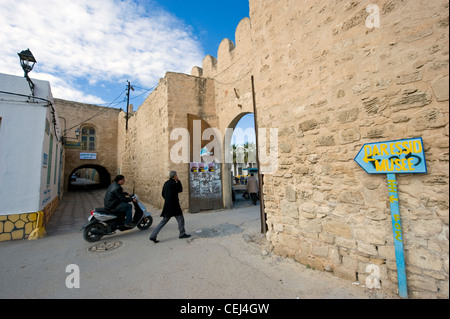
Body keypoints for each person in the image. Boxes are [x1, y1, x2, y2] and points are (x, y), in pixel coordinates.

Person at [149, 171, 191, 243]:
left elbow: (163, 194)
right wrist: (179, 181)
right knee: (180, 219)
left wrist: (168, 200)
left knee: (163, 221)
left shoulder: (166, 183)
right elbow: (180, 190)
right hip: (175, 206)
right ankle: (182, 233)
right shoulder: (174, 183)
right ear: (174, 176)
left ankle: (153, 235)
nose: (177, 176)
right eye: (176, 175)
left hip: (168, 206)